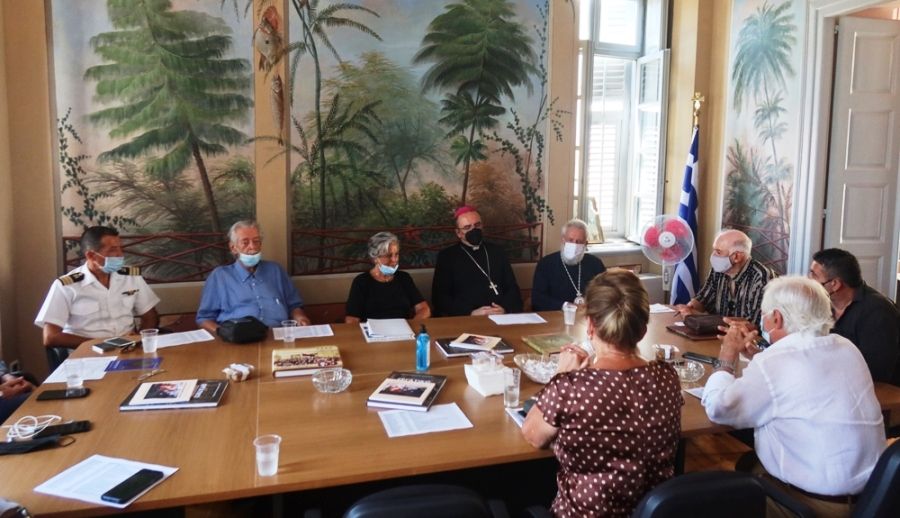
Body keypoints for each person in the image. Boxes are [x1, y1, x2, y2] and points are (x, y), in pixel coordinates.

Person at [703, 276, 885, 517]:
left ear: (776, 318)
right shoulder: (846, 347)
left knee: (709, 497)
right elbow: (803, 378)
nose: (762, 320)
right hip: (872, 496)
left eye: (764, 315)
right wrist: (759, 356)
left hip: (810, 505)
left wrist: (727, 354)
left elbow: (718, 408)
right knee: (748, 462)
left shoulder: (775, 363)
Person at [522, 269, 683, 517]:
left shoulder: (570, 387)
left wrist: (560, 376)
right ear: (642, 330)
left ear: (590, 326)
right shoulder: (668, 377)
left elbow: (533, 435)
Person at [34, 226, 160, 351]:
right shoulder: (67, 286)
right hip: (87, 353)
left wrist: (139, 339)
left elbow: (150, 316)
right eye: (112, 250)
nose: (120, 255)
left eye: (120, 248)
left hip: (128, 349)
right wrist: (103, 344)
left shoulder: (130, 277)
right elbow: (51, 337)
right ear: (91, 255)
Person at [197, 220, 310, 333]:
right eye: (245, 242)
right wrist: (223, 333)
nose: (252, 247)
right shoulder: (220, 276)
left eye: (256, 241)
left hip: (278, 334)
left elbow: (294, 305)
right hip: (239, 338)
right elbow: (204, 318)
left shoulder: (275, 270)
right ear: (233, 248)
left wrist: (300, 318)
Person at [809, 248, 900, 385]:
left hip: (877, 388)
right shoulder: (823, 303)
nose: (809, 280)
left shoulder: (877, 312)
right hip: (834, 379)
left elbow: (876, 370)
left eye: (814, 275)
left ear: (835, 284)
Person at [431, 206, 523, 316]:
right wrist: (471, 312)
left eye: (477, 225)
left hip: (501, 316)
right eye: (467, 227)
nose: (473, 230)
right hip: (467, 319)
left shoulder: (497, 252)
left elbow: (512, 288)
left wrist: (504, 308)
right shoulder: (447, 257)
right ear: (458, 233)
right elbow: (440, 298)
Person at [674, 229, 775, 324]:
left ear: (737, 257)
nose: (713, 255)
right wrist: (690, 307)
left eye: (718, 252)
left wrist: (705, 318)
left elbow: (754, 322)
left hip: (746, 335)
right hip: (715, 331)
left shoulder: (761, 276)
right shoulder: (718, 270)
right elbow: (703, 299)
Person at [344, 232, 431, 323]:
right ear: (375, 258)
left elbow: (424, 309)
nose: (394, 260)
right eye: (388, 256)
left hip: (403, 329)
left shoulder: (404, 278)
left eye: (396, 254)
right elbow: (352, 319)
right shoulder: (361, 282)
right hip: (373, 331)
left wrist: (412, 325)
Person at [531, 218, 606, 311]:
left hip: (587, 314)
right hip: (556, 315)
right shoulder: (546, 264)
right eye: (570, 240)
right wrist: (566, 306)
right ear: (563, 240)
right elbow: (538, 299)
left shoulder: (595, 264)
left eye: (579, 242)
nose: (574, 245)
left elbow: (606, 294)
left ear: (585, 244)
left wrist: (590, 306)